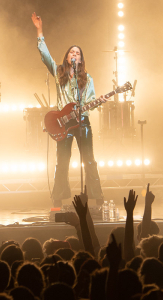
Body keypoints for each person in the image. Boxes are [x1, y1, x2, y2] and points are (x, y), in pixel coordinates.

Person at [31, 12, 106, 208]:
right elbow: (45, 56)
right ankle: (58, 197)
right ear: (66, 56)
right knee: (62, 162)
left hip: (82, 123)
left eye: (78, 53)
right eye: (71, 52)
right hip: (63, 124)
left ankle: (97, 197)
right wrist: (40, 30)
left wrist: (98, 101)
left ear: (81, 59)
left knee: (89, 161)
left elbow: (90, 100)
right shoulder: (59, 73)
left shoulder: (87, 79)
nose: (74, 54)